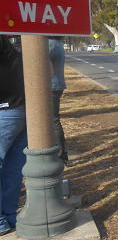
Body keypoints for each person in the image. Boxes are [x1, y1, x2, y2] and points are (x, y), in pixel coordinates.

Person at [0, 35, 27, 235]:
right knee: (13, 168)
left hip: (4, 111)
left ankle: (3, 220)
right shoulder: (11, 47)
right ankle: (9, 216)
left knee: (11, 167)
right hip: (20, 110)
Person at [49, 37, 68, 165]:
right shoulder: (57, 43)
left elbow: (47, 68)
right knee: (54, 120)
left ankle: (61, 156)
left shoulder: (48, 43)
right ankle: (61, 154)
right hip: (57, 85)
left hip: (51, 86)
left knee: (54, 120)